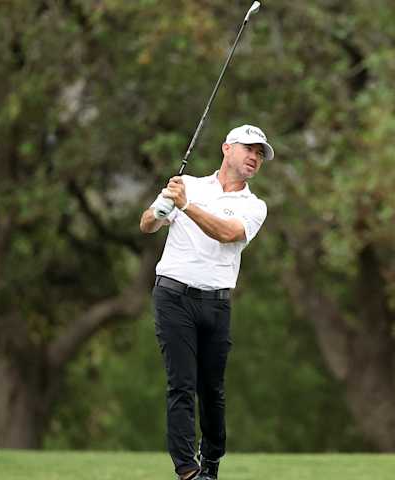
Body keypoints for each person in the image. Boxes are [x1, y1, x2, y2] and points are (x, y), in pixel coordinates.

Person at [139, 124, 274, 480]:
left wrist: (187, 206)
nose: (254, 157)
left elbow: (228, 234)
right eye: (249, 148)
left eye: (260, 154)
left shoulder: (254, 206)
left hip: (216, 303)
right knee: (180, 384)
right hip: (173, 297)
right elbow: (147, 225)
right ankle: (187, 470)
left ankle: (211, 459)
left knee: (211, 390)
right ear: (227, 148)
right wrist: (164, 206)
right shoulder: (189, 185)